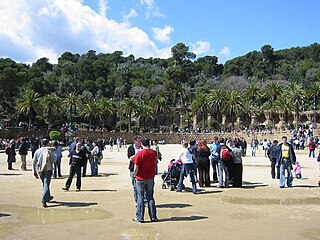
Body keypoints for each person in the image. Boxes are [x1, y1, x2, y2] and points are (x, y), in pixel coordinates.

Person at [132, 137, 158, 223]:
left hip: (140, 178)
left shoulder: (139, 154)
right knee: (150, 197)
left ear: (142, 144)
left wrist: (134, 175)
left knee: (140, 197)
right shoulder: (154, 153)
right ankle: (153, 217)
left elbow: (136, 168)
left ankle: (140, 217)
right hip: (150, 177)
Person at [32, 138, 56, 208]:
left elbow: (34, 161)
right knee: (46, 184)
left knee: (45, 184)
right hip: (48, 169)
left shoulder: (38, 150)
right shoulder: (49, 150)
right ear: (48, 143)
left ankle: (48, 197)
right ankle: (44, 199)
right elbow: (54, 159)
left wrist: (34, 171)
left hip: (40, 170)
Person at [127, 136, 142, 203]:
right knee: (135, 187)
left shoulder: (142, 148)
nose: (140, 143)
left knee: (142, 187)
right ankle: (137, 201)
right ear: (135, 141)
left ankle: (143, 201)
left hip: (142, 169)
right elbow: (130, 158)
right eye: (138, 141)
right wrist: (139, 155)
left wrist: (135, 157)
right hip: (133, 169)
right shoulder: (130, 148)